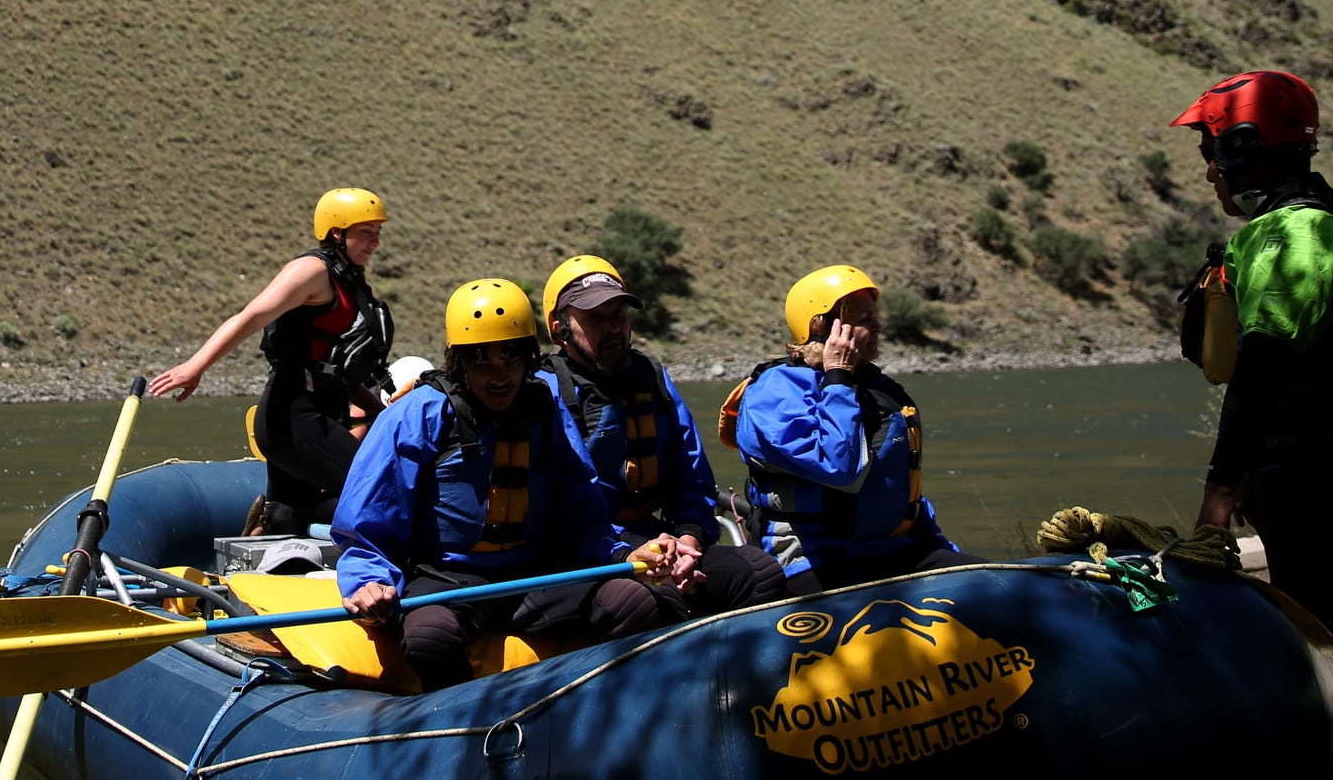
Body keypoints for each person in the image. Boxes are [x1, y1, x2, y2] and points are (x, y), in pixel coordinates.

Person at [1171, 70, 1333, 779]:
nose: (1211, 169)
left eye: (1213, 149)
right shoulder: (1324, 219)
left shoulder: (1298, 233)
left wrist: (1221, 484)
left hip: (1313, 466)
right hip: (1325, 454)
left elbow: (1266, 362)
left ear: (1247, 146)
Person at [331, 279, 677, 691]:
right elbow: (368, 520)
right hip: (449, 579)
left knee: (630, 602)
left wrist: (621, 553)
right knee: (429, 636)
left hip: (533, 576)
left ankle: (597, 717)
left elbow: (582, 511)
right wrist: (369, 581)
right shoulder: (419, 414)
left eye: (511, 358)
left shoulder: (543, 409)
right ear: (459, 361)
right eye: (482, 360)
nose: (500, 376)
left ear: (528, 358)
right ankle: (457, 733)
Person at [538, 255, 784, 617]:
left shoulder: (652, 378)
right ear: (559, 328)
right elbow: (567, 510)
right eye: (594, 319)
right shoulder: (546, 392)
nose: (612, 328)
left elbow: (693, 480)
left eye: (618, 315)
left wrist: (687, 539)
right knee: (657, 598)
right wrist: (628, 553)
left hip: (653, 540)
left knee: (759, 572)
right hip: (583, 552)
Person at [148, 187, 395, 535]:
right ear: (337, 233)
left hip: (322, 415)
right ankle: (279, 519)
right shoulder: (311, 271)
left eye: (378, 233)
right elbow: (251, 316)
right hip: (293, 417)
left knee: (296, 515)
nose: (376, 242)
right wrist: (195, 367)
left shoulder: (350, 280)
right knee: (381, 488)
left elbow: (337, 369)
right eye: (366, 233)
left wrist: (382, 415)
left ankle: (274, 521)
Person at [728, 265, 959, 594]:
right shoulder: (774, 393)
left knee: (989, 586)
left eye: (874, 317)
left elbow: (900, 487)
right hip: (813, 560)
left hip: (894, 549)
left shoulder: (879, 388)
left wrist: (941, 548)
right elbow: (840, 469)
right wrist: (838, 378)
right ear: (822, 326)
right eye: (865, 320)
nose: (878, 326)